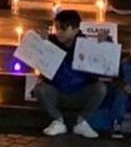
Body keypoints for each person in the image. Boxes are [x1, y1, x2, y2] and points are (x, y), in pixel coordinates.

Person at [34, 9, 107, 138]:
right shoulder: (50, 42)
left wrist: (104, 45)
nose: (58, 33)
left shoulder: (88, 45)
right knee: (40, 89)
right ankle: (58, 121)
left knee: (100, 88)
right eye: (56, 28)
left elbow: (102, 67)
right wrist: (39, 41)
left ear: (75, 29)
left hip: (80, 92)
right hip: (57, 91)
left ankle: (81, 122)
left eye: (63, 29)